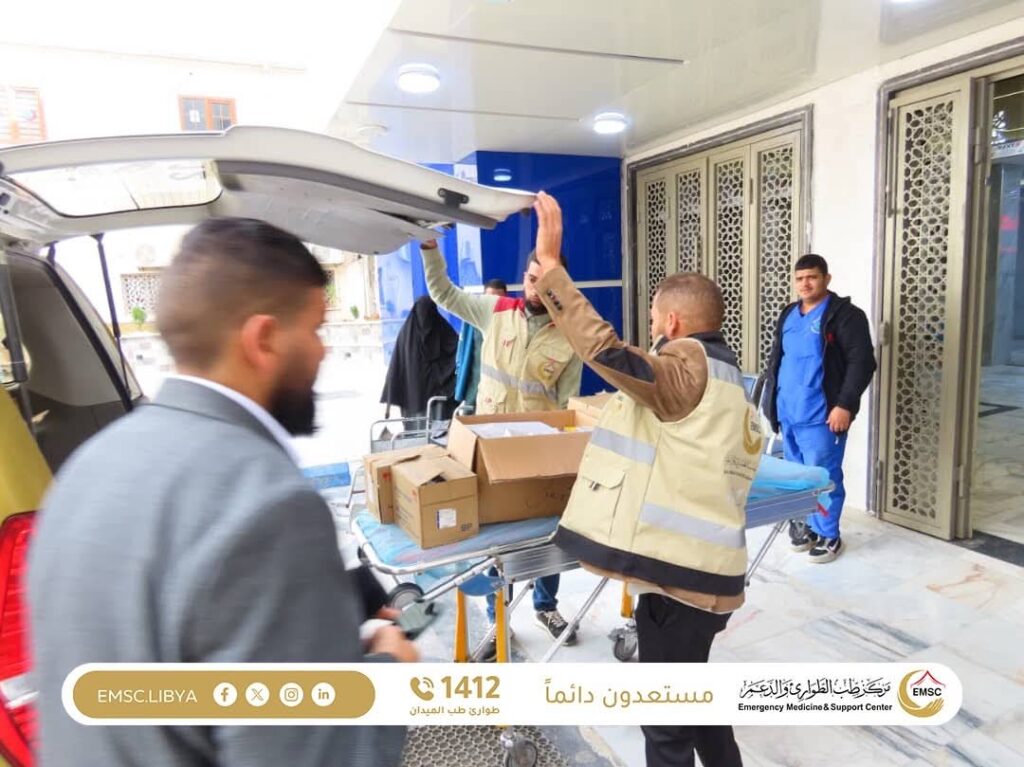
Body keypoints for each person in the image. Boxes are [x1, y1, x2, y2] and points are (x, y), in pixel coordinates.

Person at [28, 218, 417, 767]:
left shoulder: (86, 468)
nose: (322, 351)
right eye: (314, 329)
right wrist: (389, 674)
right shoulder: (269, 507)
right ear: (262, 340)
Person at [531, 192, 760, 767]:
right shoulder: (727, 377)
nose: (652, 326)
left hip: (681, 585)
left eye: (655, 317)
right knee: (697, 703)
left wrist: (553, 271)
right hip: (709, 579)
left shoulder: (686, 370)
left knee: (664, 728)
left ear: (673, 322)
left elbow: (608, 353)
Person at [420, 238, 583, 661]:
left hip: (539, 455)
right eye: (532, 278)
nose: (536, 288)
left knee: (547, 534)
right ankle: (499, 620)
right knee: (497, 544)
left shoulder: (570, 337)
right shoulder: (494, 311)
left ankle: (546, 607)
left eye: (547, 282)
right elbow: (443, 293)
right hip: (490, 451)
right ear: (524, 277)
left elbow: (568, 406)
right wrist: (430, 247)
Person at [763, 253, 876, 563]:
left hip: (821, 416)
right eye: (800, 278)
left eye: (812, 277)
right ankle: (808, 528)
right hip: (789, 413)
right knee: (799, 477)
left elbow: (862, 362)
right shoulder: (788, 314)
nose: (805, 284)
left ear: (826, 279)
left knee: (823, 477)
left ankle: (829, 536)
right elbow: (777, 360)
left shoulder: (845, 316)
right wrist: (771, 404)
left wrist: (844, 405)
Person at [453, 278, 508, 413]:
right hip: (475, 386)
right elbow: (463, 351)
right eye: (489, 299)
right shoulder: (472, 321)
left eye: (497, 300)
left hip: (502, 390)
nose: (492, 304)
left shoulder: (513, 323)